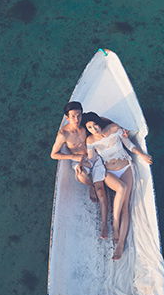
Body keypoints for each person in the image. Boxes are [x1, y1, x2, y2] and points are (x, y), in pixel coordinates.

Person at [82, 112, 152, 260]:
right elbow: (92, 159)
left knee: (125, 206)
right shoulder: (90, 140)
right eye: (89, 128)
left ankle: (120, 244)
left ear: (99, 122)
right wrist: (81, 166)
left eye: (95, 125)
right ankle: (114, 225)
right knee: (122, 188)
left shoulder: (114, 128)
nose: (94, 129)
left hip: (125, 167)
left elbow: (129, 145)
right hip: (109, 173)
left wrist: (142, 155)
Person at [50, 102, 111, 238]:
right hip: (78, 160)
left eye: (78, 115)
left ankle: (104, 225)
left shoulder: (84, 122)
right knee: (81, 176)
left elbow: (102, 121)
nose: (76, 119)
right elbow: (53, 154)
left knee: (101, 191)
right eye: (73, 116)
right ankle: (91, 186)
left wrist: (119, 129)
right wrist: (73, 156)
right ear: (67, 117)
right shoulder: (63, 134)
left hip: (93, 156)